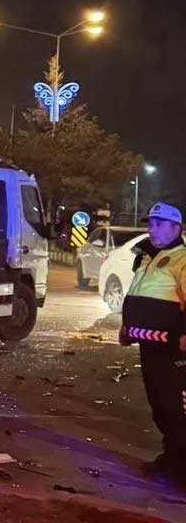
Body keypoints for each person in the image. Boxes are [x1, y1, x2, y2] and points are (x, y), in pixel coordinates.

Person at [120, 201, 186, 487]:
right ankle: (171, 458)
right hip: (149, 344)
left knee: (173, 407)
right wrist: (127, 327)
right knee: (159, 406)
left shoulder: (182, 258)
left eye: (160, 224)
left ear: (176, 228)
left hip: (173, 347)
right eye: (150, 223)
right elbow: (138, 295)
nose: (152, 228)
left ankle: (181, 468)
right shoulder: (148, 257)